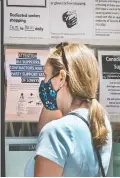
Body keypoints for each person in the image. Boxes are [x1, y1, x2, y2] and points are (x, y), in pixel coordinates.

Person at [24, 42, 112, 177]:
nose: (44, 82)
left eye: (46, 75)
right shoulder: (100, 121)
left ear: (61, 78)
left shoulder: (56, 132)